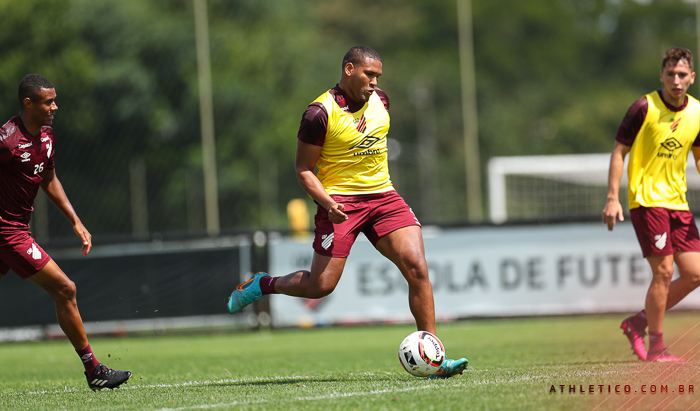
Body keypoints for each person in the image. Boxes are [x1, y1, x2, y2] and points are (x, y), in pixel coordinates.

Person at [228, 46, 468, 378]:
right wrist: (328, 203)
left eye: (378, 76)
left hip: (383, 197)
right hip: (339, 203)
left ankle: (435, 358)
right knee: (320, 286)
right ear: (349, 69)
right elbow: (302, 169)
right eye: (369, 74)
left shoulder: (381, 101)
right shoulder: (319, 113)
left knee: (417, 268)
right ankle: (263, 284)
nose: (374, 82)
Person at [0, 74, 132, 389]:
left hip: (17, 228)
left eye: (55, 100)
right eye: (49, 101)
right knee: (65, 289)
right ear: (28, 103)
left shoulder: (47, 137)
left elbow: (49, 179)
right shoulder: (5, 140)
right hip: (7, 231)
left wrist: (76, 220)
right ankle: (94, 370)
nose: (55, 107)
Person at [603, 47, 700, 362]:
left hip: (678, 203)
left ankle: (638, 323)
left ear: (692, 78)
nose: (676, 80)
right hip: (647, 201)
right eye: (670, 74)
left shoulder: (697, 113)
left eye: (682, 74)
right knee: (664, 271)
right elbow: (620, 151)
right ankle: (657, 346)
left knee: (695, 274)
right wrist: (612, 198)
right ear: (661, 76)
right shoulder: (643, 107)